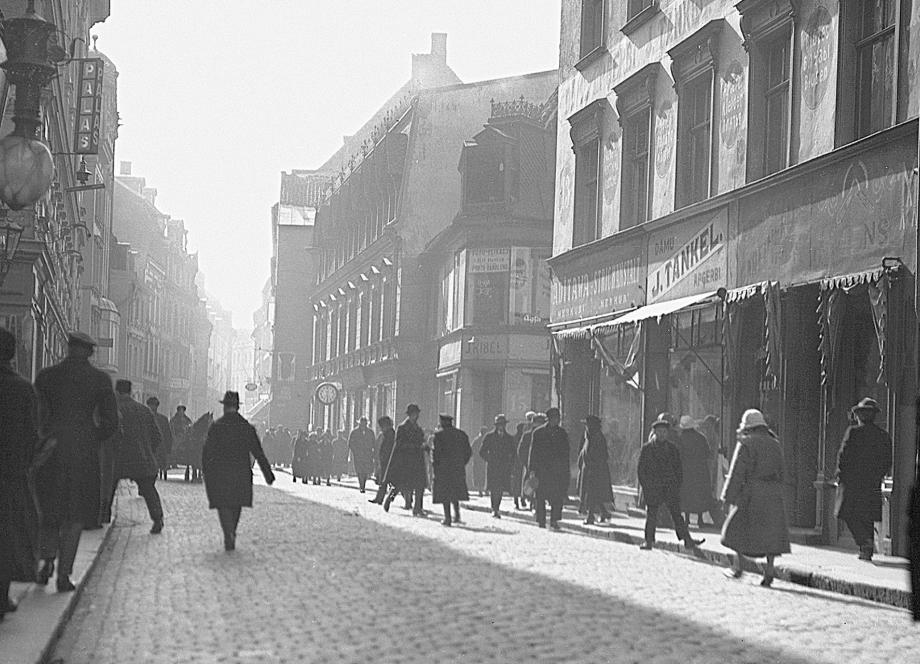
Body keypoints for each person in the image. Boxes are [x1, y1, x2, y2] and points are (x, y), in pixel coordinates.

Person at [34, 332, 119, 592]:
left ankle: (46, 561)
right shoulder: (100, 380)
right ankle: (63, 575)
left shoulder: (46, 376)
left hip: (52, 451)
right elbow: (110, 423)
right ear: (90, 352)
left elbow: (36, 415)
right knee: (75, 516)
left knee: (50, 510)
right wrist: (92, 437)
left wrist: (45, 438)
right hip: (83, 455)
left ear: (68, 348)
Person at [721, 409, 790, 586]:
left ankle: (738, 566)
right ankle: (769, 570)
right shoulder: (776, 444)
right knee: (771, 535)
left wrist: (727, 497)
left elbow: (737, 472)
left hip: (752, 493)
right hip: (773, 494)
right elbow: (782, 472)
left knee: (735, 529)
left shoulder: (746, 443)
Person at [202, 391, 275, 551]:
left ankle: (228, 532)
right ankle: (232, 531)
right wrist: (268, 474)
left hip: (220, 474)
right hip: (240, 474)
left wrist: (206, 472)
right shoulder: (246, 427)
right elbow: (258, 452)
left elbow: (207, 452)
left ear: (224, 407)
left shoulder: (216, 426)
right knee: (236, 505)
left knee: (223, 504)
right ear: (237, 407)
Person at [0, 328, 39, 620]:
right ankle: (1, 598)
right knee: (7, 535)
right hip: (9, 475)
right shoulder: (23, 388)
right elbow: (30, 437)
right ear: (12, 354)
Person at [835, 397, 892, 561]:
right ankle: (866, 548)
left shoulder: (853, 432)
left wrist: (841, 474)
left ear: (859, 416)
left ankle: (865, 544)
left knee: (848, 513)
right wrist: (877, 476)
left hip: (852, 482)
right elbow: (887, 461)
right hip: (871, 483)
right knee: (866, 516)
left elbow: (843, 456)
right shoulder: (883, 436)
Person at [637, 414, 704, 551]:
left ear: (667, 433)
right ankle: (648, 541)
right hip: (653, 488)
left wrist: (676, 484)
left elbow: (678, 469)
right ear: (654, 433)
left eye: (664, 432)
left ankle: (687, 540)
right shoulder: (647, 449)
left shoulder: (672, 449)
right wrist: (646, 487)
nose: (662, 435)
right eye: (659, 432)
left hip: (669, 488)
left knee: (676, 515)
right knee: (651, 516)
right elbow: (641, 470)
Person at [113, 380, 164, 534]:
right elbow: (157, 436)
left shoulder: (114, 409)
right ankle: (158, 519)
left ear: (117, 392)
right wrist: (148, 450)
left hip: (119, 458)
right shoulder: (144, 410)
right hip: (142, 458)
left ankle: (102, 516)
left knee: (108, 486)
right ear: (130, 391)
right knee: (148, 490)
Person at [676, 415, 723, 529]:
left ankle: (686, 519)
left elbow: (678, 454)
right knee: (700, 494)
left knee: (686, 494)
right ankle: (700, 519)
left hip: (685, 471)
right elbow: (707, 453)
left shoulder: (680, 438)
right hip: (700, 471)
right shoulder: (701, 438)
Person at [527, 407, 570, 530]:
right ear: (549, 419)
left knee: (557, 497)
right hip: (542, 471)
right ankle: (541, 520)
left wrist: (565, 470)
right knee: (540, 496)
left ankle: (554, 520)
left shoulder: (562, 434)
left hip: (557, 471)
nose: (556, 421)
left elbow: (566, 453)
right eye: (554, 418)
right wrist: (532, 470)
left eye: (558, 418)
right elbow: (533, 452)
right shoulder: (538, 433)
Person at [385, 404, 427, 515]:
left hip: (417, 461)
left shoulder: (418, 429)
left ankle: (417, 508)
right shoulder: (402, 428)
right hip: (405, 461)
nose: (416, 416)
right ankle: (389, 499)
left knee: (419, 486)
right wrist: (414, 446)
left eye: (417, 414)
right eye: (414, 414)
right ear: (410, 415)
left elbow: (421, 440)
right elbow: (399, 444)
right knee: (399, 485)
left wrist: (424, 446)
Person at [432, 414, 471, 526]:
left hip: (443, 470)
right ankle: (457, 515)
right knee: (455, 492)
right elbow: (468, 452)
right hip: (457, 469)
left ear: (443, 422)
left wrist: (436, 467)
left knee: (445, 495)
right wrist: (462, 463)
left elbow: (436, 454)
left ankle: (447, 518)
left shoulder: (439, 436)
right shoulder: (461, 434)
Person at [577, 415, 614, 525]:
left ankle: (590, 516)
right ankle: (603, 513)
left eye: (588, 425)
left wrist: (593, 465)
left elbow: (602, 455)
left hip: (596, 470)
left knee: (592, 493)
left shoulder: (597, 437)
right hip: (588, 469)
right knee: (594, 494)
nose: (586, 427)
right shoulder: (588, 436)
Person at [480, 414, 516, 518]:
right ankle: (494, 508)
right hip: (493, 467)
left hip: (504, 467)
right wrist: (489, 459)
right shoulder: (489, 436)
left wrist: (510, 463)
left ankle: (497, 507)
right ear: (496, 426)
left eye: (503, 424)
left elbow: (513, 452)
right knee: (493, 488)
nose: (501, 427)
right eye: (499, 425)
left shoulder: (509, 438)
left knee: (500, 488)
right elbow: (482, 451)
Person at [518, 412, 544, 511]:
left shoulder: (545, 435)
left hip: (542, 465)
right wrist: (526, 462)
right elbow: (521, 450)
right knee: (530, 484)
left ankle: (536, 503)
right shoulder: (527, 435)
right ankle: (529, 500)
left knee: (540, 486)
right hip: (530, 464)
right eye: (537, 423)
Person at [369, 416, 395, 504]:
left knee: (393, 483)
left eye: (382, 426)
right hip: (385, 462)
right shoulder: (386, 434)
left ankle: (408, 501)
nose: (381, 429)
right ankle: (379, 498)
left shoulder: (390, 435)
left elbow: (388, 449)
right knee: (384, 482)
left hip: (390, 462)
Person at [147, 397, 174, 482]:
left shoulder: (163, 419)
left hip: (160, 445)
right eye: (150, 405)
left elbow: (168, 434)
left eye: (154, 405)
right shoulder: (144, 417)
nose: (152, 407)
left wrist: (168, 448)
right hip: (148, 444)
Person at [348, 417, 377, 493]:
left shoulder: (370, 432)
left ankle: (363, 484)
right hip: (358, 455)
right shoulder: (354, 432)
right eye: (362, 424)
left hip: (367, 455)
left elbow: (374, 443)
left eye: (365, 424)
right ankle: (361, 486)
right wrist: (355, 451)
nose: (363, 425)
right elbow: (350, 443)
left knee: (366, 471)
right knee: (359, 470)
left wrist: (373, 453)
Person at [511, 414, 533, 510]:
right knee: (518, 482)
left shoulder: (526, 436)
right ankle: (518, 500)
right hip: (517, 463)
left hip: (522, 463)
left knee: (524, 482)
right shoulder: (519, 438)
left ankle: (523, 499)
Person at [469, 426, 488, 497]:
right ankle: (485, 490)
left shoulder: (476, 440)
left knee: (479, 475)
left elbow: (471, 449)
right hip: (484, 460)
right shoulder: (486, 440)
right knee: (484, 475)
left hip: (478, 460)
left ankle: (481, 490)